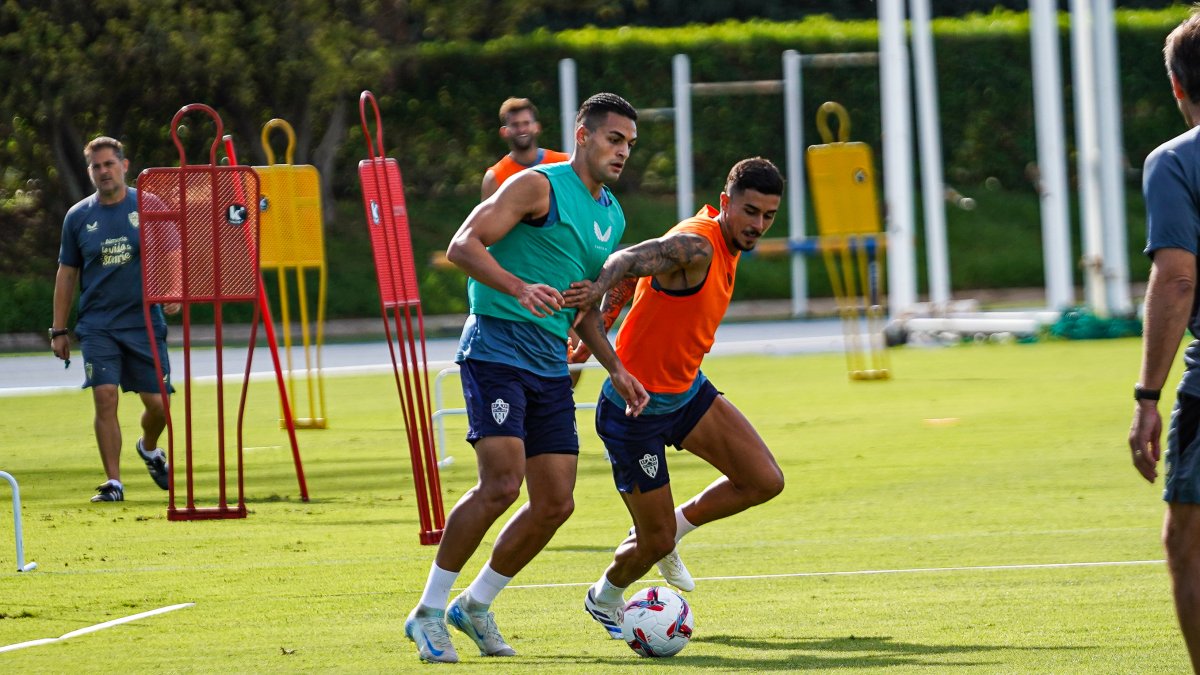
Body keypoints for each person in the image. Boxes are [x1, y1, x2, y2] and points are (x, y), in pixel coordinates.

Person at [404, 92, 649, 663]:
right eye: (615, 139)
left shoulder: (612, 214)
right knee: (501, 484)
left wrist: (617, 368)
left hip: (548, 365)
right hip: (495, 347)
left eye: (631, 145)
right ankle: (428, 612)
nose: (623, 153)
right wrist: (518, 287)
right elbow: (462, 246)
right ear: (583, 135)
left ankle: (476, 604)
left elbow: (582, 310)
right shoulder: (537, 184)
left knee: (555, 502)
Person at [562, 157, 787, 639]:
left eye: (768, 216)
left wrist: (599, 324)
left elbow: (636, 278)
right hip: (633, 411)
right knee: (653, 537)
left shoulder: (726, 243)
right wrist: (588, 326)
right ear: (725, 203)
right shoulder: (697, 245)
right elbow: (622, 262)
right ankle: (604, 596)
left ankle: (674, 532)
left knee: (764, 480)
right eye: (750, 212)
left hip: (686, 395)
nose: (758, 225)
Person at [1129, 11, 1200, 673]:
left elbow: (1177, 277)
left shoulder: (1175, 161)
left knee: (1189, 541)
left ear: (1179, 89)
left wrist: (1147, 396)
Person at [51, 136, 178, 503]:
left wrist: (172, 290)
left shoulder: (149, 205)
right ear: (89, 171)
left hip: (144, 322)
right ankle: (114, 483)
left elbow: (172, 250)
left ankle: (149, 448)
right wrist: (59, 329)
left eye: (109, 164)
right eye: (96, 166)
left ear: (124, 165)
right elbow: (66, 275)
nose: (103, 171)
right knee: (104, 396)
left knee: (160, 407)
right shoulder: (78, 216)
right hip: (98, 324)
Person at [480, 97, 570, 201]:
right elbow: (489, 216)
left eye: (526, 123)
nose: (521, 129)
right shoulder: (495, 177)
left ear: (537, 127)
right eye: (515, 125)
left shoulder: (564, 163)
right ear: (504, 132)